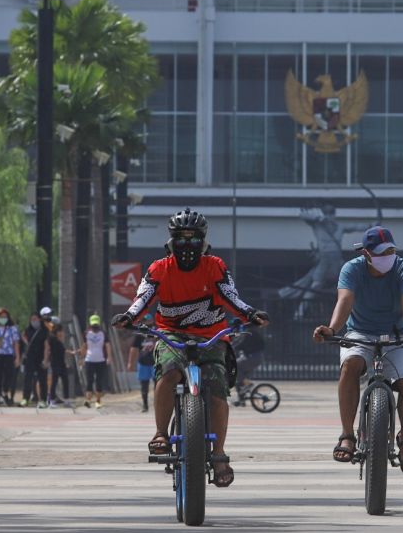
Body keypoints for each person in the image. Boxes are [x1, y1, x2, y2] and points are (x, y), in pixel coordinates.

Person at [112, 207, 268, 489]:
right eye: (181, 238)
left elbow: (231, 296)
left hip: (211, 337)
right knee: (168, 374)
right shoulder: (159, 268)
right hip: (171, 335)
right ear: (171, 240)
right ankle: (161, 433)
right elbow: (142, 298)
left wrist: (250, 314)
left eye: (194, 238)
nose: (187, 245)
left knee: (218, 386)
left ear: (204, 240)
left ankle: (219, 454)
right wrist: (129, 317)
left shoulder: (215, 266)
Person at [312, 225, 403, 475]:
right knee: (350, 367)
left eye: (391, 251)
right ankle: (347, 434)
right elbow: (345, 301)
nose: (388, 256)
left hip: (396, 334)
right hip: (359, 333)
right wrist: (331, 329)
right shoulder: (352, 269)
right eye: (382, 252)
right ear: (366, 253)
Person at [20, 307, 52, 407]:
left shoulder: (44, 331)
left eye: (36, 319)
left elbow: (47, 346)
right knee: (27, 378)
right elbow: (24, 339)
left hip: (41, 357)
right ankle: (25, 398)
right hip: (30, 358)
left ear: (39, 319)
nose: (34, 321)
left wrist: (46, 360)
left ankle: (42, 400)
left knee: (42, 379)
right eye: (32, 319)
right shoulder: (27, 330)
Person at [78, 315, 112, 408]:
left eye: (96, 325)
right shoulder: (86, 334)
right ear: (90, 324)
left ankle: (98, 401)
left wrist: (109, 357)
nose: (95, 327)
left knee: (99, 381)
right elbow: (84, 346)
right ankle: (88, 400)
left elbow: (108, 345)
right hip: (89, 360)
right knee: (89, 380)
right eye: (93, 325)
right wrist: (81, 358)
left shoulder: (103, 334)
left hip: (101, 360)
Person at [127, 314, 157, 413]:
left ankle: (158, 405)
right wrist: (130, 363)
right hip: (143, 363)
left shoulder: (157, 332)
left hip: (156, 363)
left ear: (152, 321)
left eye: (148, 321)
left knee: (158, 385)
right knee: (144, 386)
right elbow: (133, 349)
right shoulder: (139, 333)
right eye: (144, 321)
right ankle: (145, 406)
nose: (146, 323)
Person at [44, 318, 71, 406]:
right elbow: (48, 349)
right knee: (54, 381)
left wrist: (72, 353)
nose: (61, 333)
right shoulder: (51, 337)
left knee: (65, 380)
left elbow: (62, 349)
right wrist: (46, 360)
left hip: (61, 362)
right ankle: (51, 400)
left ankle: (66, 400)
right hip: (54, 362)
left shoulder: (58, 338)